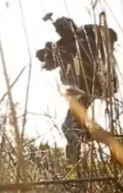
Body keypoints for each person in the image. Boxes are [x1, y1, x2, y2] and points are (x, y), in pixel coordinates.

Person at [35, 15, 118, 163]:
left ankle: (74, 164)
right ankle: (109, 143)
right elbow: (51, 64)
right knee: (77, 127)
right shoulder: (67, 44)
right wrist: (46, 55)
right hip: (82, 90)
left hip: (89, 87)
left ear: (71, 26)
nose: (60, 33)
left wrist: (55, 51)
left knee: (69, 127)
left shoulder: (85, 39)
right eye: (58, 30)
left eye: (62, 29)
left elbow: (77, 51)